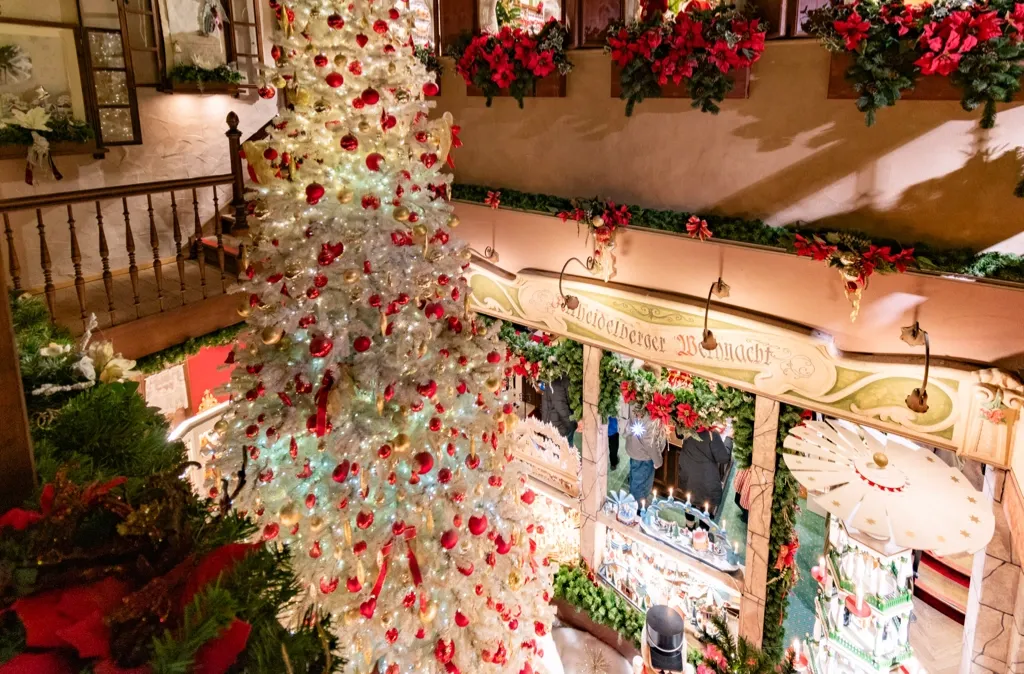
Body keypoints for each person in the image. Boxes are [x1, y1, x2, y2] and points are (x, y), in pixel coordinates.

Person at [676, 429, 732, 518]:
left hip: (688, 473)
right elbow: (723, 458)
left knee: (689, 500)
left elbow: (679, 433)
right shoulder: (712, 434)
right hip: (706, 478)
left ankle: (689, 527)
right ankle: (702, 530)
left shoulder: (687, 426)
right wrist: (729, 438)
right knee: (706, 507)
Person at [624, 408, 666, 507]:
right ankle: (637, 512)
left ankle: (633, 507)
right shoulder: (649, 410)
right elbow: (649, 441)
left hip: (635, 449)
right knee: (640, 489)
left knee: (635, 483)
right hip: (644, 456)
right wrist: (658, 460)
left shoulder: (634, 399)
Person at [540, 376, 577, 443]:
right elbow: (561, 408)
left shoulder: (552, 377)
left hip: (553, 425)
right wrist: (573, 425)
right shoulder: (558, 380)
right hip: (559, 428)